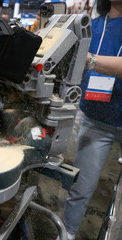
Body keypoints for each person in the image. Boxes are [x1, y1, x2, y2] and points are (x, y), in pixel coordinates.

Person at [61, 0, 122, 239]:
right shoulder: (92, 26)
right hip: (96, 118)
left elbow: (85, 59)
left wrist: (89, 59)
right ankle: (66, 233)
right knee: (81, 187)